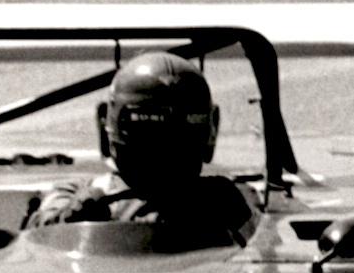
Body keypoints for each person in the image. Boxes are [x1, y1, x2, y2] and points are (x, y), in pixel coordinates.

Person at [25, 51, 259, 240]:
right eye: (148, 123)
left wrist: (231, 214)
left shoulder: (225, 199)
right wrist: (76, 218)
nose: (163, 152)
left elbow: (265, 250)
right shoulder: (73, 195)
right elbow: (34, 240)